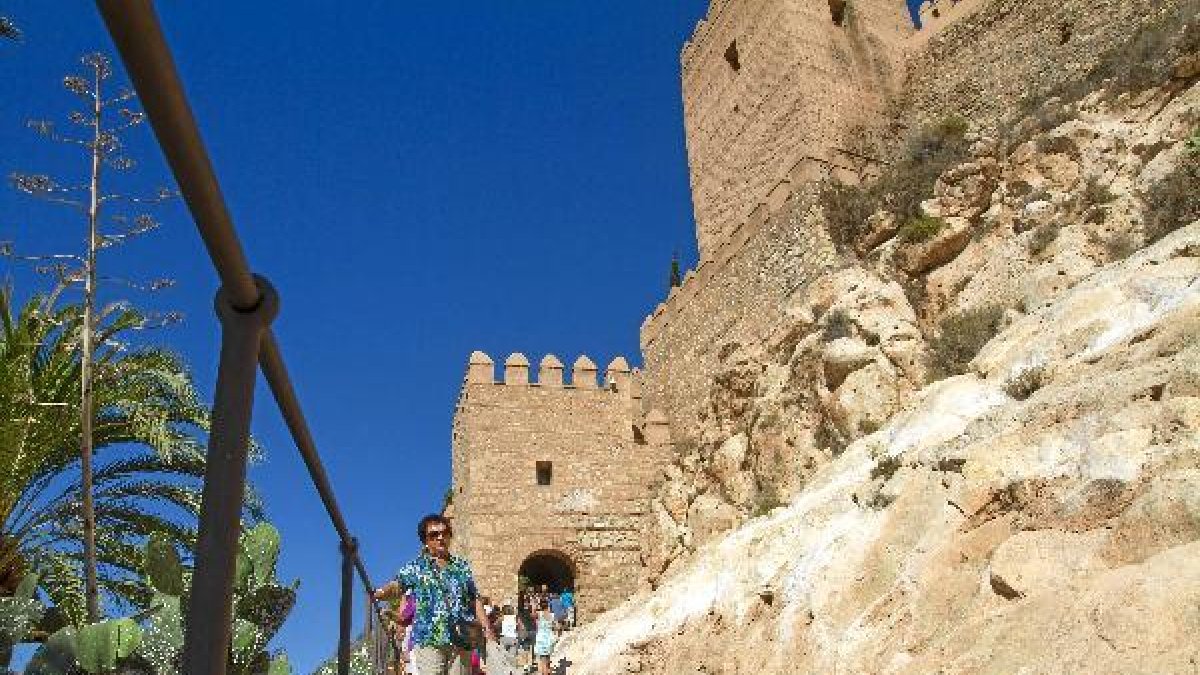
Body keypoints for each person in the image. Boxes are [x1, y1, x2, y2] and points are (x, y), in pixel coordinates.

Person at [375, 514, 496, 675]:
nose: (440, 538)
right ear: (425, 540)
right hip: (429, 638)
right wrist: (381, 593)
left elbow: (474, 598)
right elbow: (397, 585)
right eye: (434, 535)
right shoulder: (416, 567)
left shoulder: (461, 566)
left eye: (445, 533)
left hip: (462, 639)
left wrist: (487, 629)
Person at [532, 598, 557, 675]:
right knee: (548, 660)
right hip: (550, 637)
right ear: (548, 605)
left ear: (540, 606)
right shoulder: (552, 615)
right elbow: (556, 626)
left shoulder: (539, 614)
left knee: (543, 662)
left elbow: (532, 615)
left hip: (541, 638)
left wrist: (534, 607)